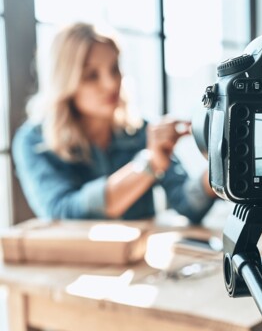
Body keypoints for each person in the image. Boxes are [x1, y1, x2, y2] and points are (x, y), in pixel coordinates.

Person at [12, 22, 215, 224]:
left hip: (138, 254)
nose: (111, 83)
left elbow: (187, 204)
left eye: (114, 68)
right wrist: (149, 164)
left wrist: (221, 170)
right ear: (65, 82)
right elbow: (62, 212)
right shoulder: (33, 141)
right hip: (76, 256)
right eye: (91, 75)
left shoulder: (142, 130)